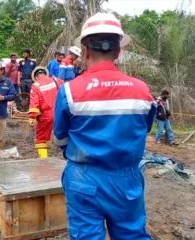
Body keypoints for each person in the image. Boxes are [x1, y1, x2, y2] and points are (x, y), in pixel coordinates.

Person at [54, 13, 156, 239]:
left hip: (83, 178)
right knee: (132, 234)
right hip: (126, 178)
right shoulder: (142, 90)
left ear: (85, 50)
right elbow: (144, 128)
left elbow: (60, 137)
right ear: (118, 51)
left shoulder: (70, 91)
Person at [29, 66, 63, 159]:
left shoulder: (36, 85)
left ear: (36, 77)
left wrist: (32, 118)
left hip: (47, 116)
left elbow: (34, 105)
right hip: (61, 113)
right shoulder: (57, 80)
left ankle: (44, 160)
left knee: (41, 138)